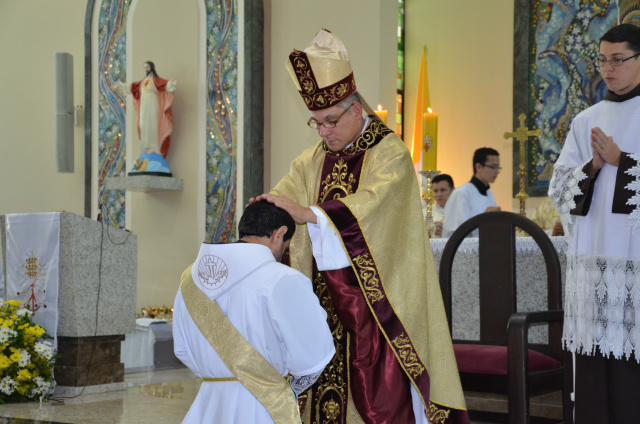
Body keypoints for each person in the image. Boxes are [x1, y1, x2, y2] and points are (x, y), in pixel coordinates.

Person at [257, 29, 468, 424]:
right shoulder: (313, 159)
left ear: (357, 110)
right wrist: (266, 211)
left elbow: (374, 208)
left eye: (331, 121)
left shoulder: (390, 153)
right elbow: (286, 195)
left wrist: (313, 215)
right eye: (316, 123)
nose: (323, 132)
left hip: (375, 310)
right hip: (321, 306)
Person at [548, 23, 640, 423]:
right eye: (602, 60)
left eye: (618, 59)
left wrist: (624, 163)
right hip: (592, 273)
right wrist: (592, 166)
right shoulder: (585, 121)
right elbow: (560, 189)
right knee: (592, 375)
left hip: (632, 271)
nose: (608, 68)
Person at [172, 200, 335, 424]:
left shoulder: (189, 280)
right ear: (280, 234)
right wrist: (276, 385)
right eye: (285, 246)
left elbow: (182, 351)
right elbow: (313, 357)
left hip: (208, 407)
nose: (282, 253)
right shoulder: (284, 279)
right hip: (262, 409)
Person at [124, 61, 177, 175]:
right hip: (144, 107)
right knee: (143, 125)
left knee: (152, 125)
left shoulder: (155, 81)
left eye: (147, 66)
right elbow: (132, 87)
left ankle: (154, 146)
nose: (146, 69)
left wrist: (170, 84)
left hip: (153, 106)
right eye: (144, 67)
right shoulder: (143, 82)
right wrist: (120, 85)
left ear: (151, 67)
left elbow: (165, 85)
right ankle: (145, 147)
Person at [442, 147, 501, 237]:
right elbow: (459, 230)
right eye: (493, 167)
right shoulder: (462, 193)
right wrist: (485, 217)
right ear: (478, 167)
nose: (497, 172)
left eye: (498, 167)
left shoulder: (489, 193)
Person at [424, 173, 454, 237]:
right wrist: (429, 232)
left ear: (453, 190)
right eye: (435, 191)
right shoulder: (424, 212)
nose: (439, 194)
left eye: (443, 190)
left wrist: (446, 232)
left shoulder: (461, 209)